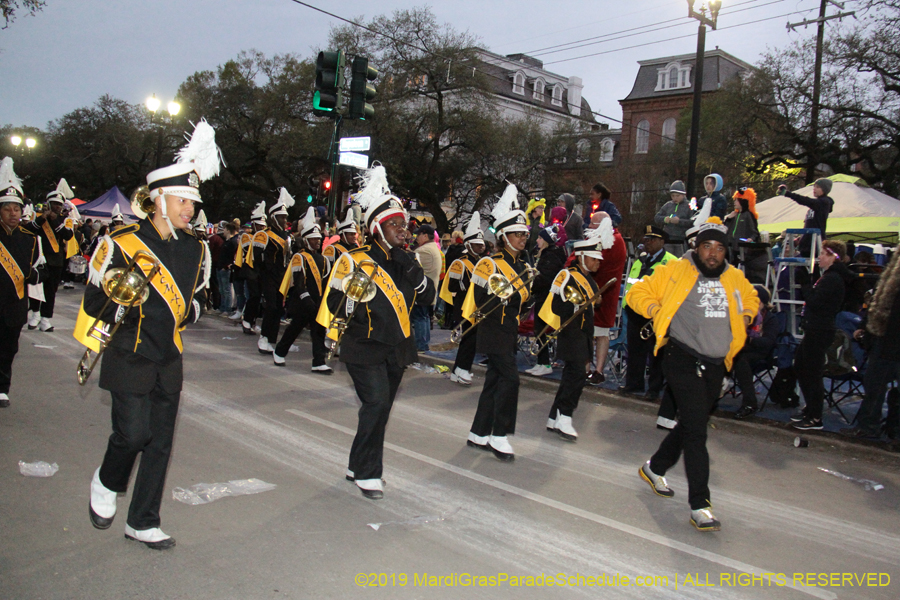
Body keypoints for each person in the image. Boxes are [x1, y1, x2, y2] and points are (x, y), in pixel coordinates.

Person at [80, 120, 218, 549]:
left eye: (193, 202)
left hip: (168, 357)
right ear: (158, 200)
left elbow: (199, 299)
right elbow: (91, 302)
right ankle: (107, 480)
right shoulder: (120, 242)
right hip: (129, 351)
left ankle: (143, 520)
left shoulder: (197, 248)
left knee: (159, 444)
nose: (189, 209)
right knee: (133, 434)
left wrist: (193, 311)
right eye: (182, 200)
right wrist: (118, 296)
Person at [627, 219, 759, 532]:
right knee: (697, 431)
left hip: (716, 363)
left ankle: (654, 467)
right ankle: (701, 505)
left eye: (719, 248)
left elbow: (750, 297)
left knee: (690, 423)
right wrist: (655, 310)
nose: (713, 253)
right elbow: (637, 293)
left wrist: (748, 313)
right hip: (681, 357)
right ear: (696, 248)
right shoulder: (675, 271)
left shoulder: (734, 277)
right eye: (707, 246)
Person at [317, 165, 434, 499]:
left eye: (405, 224)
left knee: (379, 409)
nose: (403, 230)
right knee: (377, 402)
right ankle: (370, 472)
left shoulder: (408, 261)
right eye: (394, 224)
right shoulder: (354, 260)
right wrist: (333, 335)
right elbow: (336, 299)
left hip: (396, 347)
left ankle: (357, 463)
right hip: (362, 345)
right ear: (377, 229)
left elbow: (429, 298)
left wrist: (411, 268)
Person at [464, 183, 533, 461]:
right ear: (503, 236)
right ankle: (499, 434)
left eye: (524, 234)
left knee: (494, 380)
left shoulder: (524, 267)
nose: (522, 239)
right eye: (516, 234)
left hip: (509, 331)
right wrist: (501, 295)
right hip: (494, 331)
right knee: (510, 380)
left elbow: (525, 305)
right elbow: (480, 299)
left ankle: (478, 433)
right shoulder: (488, 264)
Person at [541, 222, 614, 441]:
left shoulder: (589, 279)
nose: (597, 263)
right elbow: (557, 306)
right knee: (577, 376)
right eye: (593, 259)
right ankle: (565, 416)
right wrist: (580, 303)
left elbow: (594, 303)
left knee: (570, 376)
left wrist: (595, 300)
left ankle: (554, 417)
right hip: (571, 333)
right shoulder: (566, 275)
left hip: (583, 334)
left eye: (598, 260)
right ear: (581, 257)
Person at [791, 240, 854, 431]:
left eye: (824, 254)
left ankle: (815, 416)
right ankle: (811, 409)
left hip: (820, 329)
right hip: (816, 328)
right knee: (802, 366)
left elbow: (815, 302)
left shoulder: (832, 279)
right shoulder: (828, 277)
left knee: (812, 372)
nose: (819, 257)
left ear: (834, 257)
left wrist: (805, 285)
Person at [0, 157, 46, 408]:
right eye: (7, 209)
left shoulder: (30, 239)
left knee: (8, 347)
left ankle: (2, 388)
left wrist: (36, 275)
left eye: (16, 209)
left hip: (15, 303)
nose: (13, 213)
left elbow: (40, 269)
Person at [843, 249, 900, 439]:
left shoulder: (892, 275)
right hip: (884, 339)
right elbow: (880, 304)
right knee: (875, 385)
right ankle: (880, 427)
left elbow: (886, 308)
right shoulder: (891, 274)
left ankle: (870, 427)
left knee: (875, 386)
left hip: (889, 342)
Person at [620, 226, 676, 397]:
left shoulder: (672, 262)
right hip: (635, 312)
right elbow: (631, 285)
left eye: (652, 239)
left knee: (656, 353)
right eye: (646, 239)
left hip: (656, 314)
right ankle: (633, 384)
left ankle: (654, 389)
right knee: (635, 351)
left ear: (662, 242)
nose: (648, 243)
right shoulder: (639, 261)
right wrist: (627, 306)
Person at [274, 207, 332, 373]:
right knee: (294, 329)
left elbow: (325, 281)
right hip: (302, 302)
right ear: (306, 240)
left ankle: (318, 362)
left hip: (317, 302)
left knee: (318, 332)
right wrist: (307, 301)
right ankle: (279, 351)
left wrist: (322, 302)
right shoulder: (299, 257)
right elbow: (299, 283)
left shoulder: (323, 259)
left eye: (318, 238)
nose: (318, 241)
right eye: (313, 239)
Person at [440, 212, 486, 385]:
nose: (480, 247)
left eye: (481, 245)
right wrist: (467, 287)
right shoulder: (460, 263)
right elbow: (452, 286)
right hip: (464, 307)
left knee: (472, 340)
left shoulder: (481, 262)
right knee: (468, 339)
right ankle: (461, 369)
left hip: (476, 306)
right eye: (476, 244)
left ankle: (461, 369)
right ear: (468, 244)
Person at [24, 180, 75, 332]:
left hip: (56, 261)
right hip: (39, 260)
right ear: (49, 204)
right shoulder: (39, 217)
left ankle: (46, 319)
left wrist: (54, 221)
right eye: (54, 204)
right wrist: (42, 218)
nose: (57, 207)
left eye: (59, 204)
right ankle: (35, 314)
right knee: (35, 289)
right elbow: (28, 230)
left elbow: (68, 235)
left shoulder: (64, 220)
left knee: (50, 292)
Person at [586, 211, 627, 385]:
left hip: (602, 294)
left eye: (592, 225)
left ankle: (595, 370)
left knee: (597, 333)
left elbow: (596, 265)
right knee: (595, 333)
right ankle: (591, 370)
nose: (588, 228)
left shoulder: (612, 241)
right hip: (601, 293)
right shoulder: (612, 239)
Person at [730, 285, 779, 419]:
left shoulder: (770, 319)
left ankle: (750, 403)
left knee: (741, 361)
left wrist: (749, 340)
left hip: (761, 353)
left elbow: (768, 342)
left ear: (762, 303)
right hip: (740, 348)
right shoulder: (743, 314)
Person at [255, 189, 294, 354]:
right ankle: (263, 337)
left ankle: (272, 339)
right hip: (268, 277)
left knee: (278, 308)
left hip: (281, 277)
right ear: (273, 218)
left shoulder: (286, 236)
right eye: (281, 217)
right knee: (270, 307)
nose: (285, 220)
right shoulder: (265, 235)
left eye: (285, 217)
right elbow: (258, 259)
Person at [526, 225, 567, 377]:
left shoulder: (551, 256)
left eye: (539, 238)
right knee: (538, 329)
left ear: (546, 241)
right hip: (542, 296)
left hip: (546, 297)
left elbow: (545, 278)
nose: (536, 240)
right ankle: (541, 362)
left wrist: (532, 285)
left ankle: (545, 363)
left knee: (540, 329)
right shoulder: (546, 254)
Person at [777, 178, 834, 256]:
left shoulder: (824, 203)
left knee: (812, 267)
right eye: (814, 187)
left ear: (824, 189)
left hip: (815, 243)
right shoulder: (815, 206)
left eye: (818, 187)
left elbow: (805, 200)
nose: (814, 189)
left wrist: (787, 193)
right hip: (806, 243)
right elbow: (810, 224)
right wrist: (801, 238)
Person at [412, 223, 442, 352]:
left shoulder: (423, 251)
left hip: (422, 289)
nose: (416, 237)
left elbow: (412, 267)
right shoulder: (434, 248)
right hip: (430, 289)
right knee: (424, 317)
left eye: (418, 235)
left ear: (425, 235)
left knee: (419, 317)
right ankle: (424, 343)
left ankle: (421, 345)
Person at [238, 202, 266, 333]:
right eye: (259, 225)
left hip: (260, 271)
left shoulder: (263, 237)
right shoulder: (246, 236)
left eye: (263, 226)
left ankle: (252, 321)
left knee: (258, 298)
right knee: (253, 296)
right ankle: (246, 320)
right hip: (250, 270)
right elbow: (250, 250)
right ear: (253, 224)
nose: (261, 228)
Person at [655, 180, 692, 257]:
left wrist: (679, 221)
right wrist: (665, 219)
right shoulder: (668, 205)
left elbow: (692, 222)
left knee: (679, 262)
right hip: (667, 239)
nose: (675, 198)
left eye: (677, 196)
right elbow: (657, 218)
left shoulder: (690, 206)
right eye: (673, 196)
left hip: (681, 240)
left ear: (683, 194)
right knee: (667, 261)